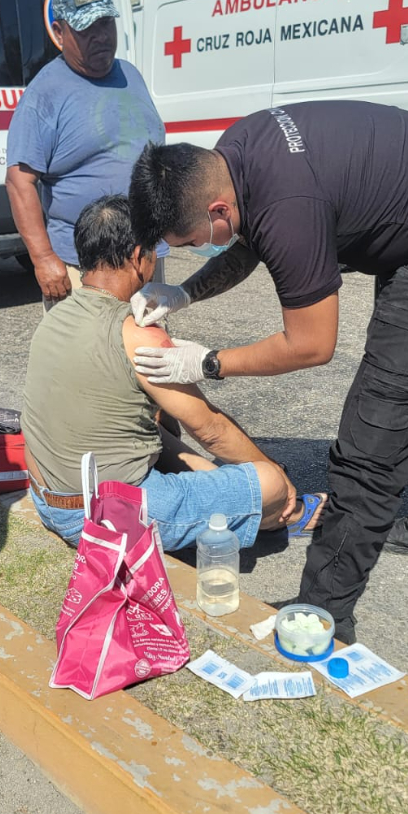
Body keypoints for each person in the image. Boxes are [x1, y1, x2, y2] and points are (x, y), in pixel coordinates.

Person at [128, 101, 408, 641]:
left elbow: (311, 345)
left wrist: (207, 361)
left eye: (193, 241)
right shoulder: (237, 152)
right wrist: (184, 294)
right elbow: (250, 242)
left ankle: (323, 614)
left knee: (377, 427)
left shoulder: (289, 201)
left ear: (218, 208)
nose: (199, 249)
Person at [22, 196, 323, 550]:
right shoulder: (136, 332)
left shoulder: (58, 313)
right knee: (269, 482)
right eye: (153, 251)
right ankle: (285, 513)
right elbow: (209, 429)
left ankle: (235, 492)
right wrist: (277, 478)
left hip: (49, 498)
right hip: (104, 515)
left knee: (159, 428)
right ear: (138, 256)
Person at [5, 0, 167, 310]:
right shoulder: (45, 93)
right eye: (86, 29)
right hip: (84, 268)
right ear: (61, 33)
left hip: (144, 259)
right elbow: (20, 182)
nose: (101, 37)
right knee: (88, 361)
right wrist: (43, 258)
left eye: (106, 24)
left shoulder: (130, 75)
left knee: (147, 358)